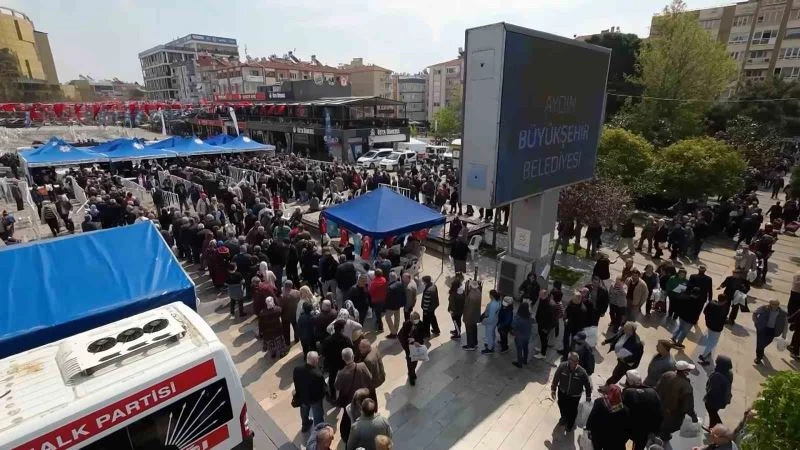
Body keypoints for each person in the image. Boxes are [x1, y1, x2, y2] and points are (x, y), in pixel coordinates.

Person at [655, 360, 698, 442]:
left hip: (659, 406)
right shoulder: (686, 386)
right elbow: (688, 406)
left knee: (659, 421)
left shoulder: (667, 374)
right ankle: (663, 437)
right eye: (688, 369)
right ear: (685, 371)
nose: (689, 371)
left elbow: (657, 387)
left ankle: (657, 432)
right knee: (670, 427)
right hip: (673, 414)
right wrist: (693, 416)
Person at [551, 352, 592, 432]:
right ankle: (563, 418)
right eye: (573, 360)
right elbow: (556, 378)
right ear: (568, 360)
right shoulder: (562, 367)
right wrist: (553, 389)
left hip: (574, 397)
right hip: (562, 393)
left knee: (572, 411)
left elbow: (588, 385)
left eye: (576, 360)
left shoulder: (582, 372)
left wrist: (588, 396)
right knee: (562, 406)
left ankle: (570, 424)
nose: (575, 363)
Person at [622, 370, 663, 450]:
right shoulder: (653, 392)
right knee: (638, 447)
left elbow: (621, 411)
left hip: (628, 428)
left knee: (619, 443)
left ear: (629, 382)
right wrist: (655, 431)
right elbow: (659, 414)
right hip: (645, 431)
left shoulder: (627, 393)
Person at [586, 384, 629, 450]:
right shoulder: (624, 409)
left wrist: (588, 428)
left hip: (598, 434)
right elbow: (626, 426)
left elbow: (593, 416)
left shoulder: (599, 402)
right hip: (614, 438)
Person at [602, 321, 644, 386]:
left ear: (632, 330)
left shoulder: (637, 343)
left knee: (616, 375)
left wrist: (624, 359)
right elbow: (615, 337)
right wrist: (606, 341)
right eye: (624, 328)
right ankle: (627, 384)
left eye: (626, 329)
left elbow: (636, 357)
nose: (623, 330)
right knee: (621, 374)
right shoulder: (623, 331)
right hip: (621, 358)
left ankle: (607, 386)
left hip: (626, 363)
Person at [293, 351, 326, 432]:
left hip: (303, 397)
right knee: (318, 416)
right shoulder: (318, 375)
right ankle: (318, 432)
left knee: (304, 412)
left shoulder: (297, 369)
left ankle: (305, 424)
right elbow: (322, 389)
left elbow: (296, 382)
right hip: (315, 400)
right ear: (316, 361)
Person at [322, 320, 353, 401]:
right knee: (344, 381)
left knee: (331, 380)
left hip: (332, 364)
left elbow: (323, 353)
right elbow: (351, 351)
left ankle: (333, 396)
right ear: (342, 329)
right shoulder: (346, 339)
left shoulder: (327, 340)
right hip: (343, 364)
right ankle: (343, 396)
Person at [398, 311, 430, 385]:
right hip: (408, 347)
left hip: (417, 346)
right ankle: (411, 376)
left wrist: (415, 340)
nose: (416, 320)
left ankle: (412, 372)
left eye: (417, 318)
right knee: (410, 362)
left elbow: (424, 334)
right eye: (414, 318)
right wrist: (408, 343)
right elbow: (402, 336)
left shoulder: (421, 324)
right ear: (411, 319)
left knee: (415, 361)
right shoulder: (406, 324)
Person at [753, 299, 788, 365]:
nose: (775, 306)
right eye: (773, 304)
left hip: (772, 330)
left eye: (776, 305)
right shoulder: (764, 308)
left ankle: (761, 350)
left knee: (767, 342)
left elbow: (785, 324)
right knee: (760, 343)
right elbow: (755, 313)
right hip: (762, 328)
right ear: (770, 304)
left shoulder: (782, 313)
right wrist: (756, 322)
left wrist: (784, 334)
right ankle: (758, 358)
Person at [699, 294, 730, 364]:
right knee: (713, 342)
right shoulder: (724, 308)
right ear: (724, 301)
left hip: (709, 324)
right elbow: (723, 319)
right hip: (717, 328)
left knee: (710, 338)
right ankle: (703, 355)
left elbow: (705, 312)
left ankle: (708, 351)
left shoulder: (711, 303)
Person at [704, 355, 733, 428]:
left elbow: (713, 390)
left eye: (717, 363)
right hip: (722, 399)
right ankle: (711, 427)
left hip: (714, 400)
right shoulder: (729, 373)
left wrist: (707, 397)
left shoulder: (717, 376)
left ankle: (720, 429)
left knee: (713, 413)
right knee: (713, 413)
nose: (716, 365)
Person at [358, 339, 386, 405]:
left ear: (366, 348)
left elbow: (367, 376)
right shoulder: (374, 349)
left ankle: (373, 408)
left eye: (361, 347)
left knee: (371, 396)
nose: (359, 348)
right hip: (380, 375)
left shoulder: (367, 361)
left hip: (373, 382)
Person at [535, 288, 555, 359]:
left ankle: (543, 354)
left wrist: (546, 328)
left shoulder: (550, 304)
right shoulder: (542, 300)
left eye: (540, 294)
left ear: (544, 295)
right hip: (541, 323)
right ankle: (542, 350)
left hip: (545, 326)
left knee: (544, 339)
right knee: (541, 337)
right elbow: (539, 310)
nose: (539, 295)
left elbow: (551, 319)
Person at [511, 301, 533, 368]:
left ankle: (519, 363)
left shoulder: (518, 317)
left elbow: (513, 326)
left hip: (519, 336)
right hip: (527, 335)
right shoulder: (529, 316)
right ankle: (525, 360)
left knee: (519, 350)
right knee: (526, 348)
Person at [462, 279, 482, 350]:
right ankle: (474, 342)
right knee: (474, 329)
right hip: (475, 315)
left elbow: (467, 306)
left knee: (469, 331)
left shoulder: (471, 295)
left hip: (469, 316)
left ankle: (470, 345)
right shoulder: (478, 292)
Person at [384, 271, 405, 338]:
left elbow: (388, 299)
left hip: (391, 307)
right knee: (397, 318)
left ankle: (393, 333)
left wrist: (385, 307)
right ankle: (396, 330)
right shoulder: (400, 283)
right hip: (398, 305)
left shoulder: (390, 288)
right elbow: (403, 294)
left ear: (390, 278)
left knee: (387, 318)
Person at [448, 272, 466, 339]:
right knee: (457, 321)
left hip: (455, 311)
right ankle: (456, 330)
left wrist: (451, 310)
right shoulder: (461, 292)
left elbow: (452, 303)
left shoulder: (455, 294)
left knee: (456, 321)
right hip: (459, 310)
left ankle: (458, 334)